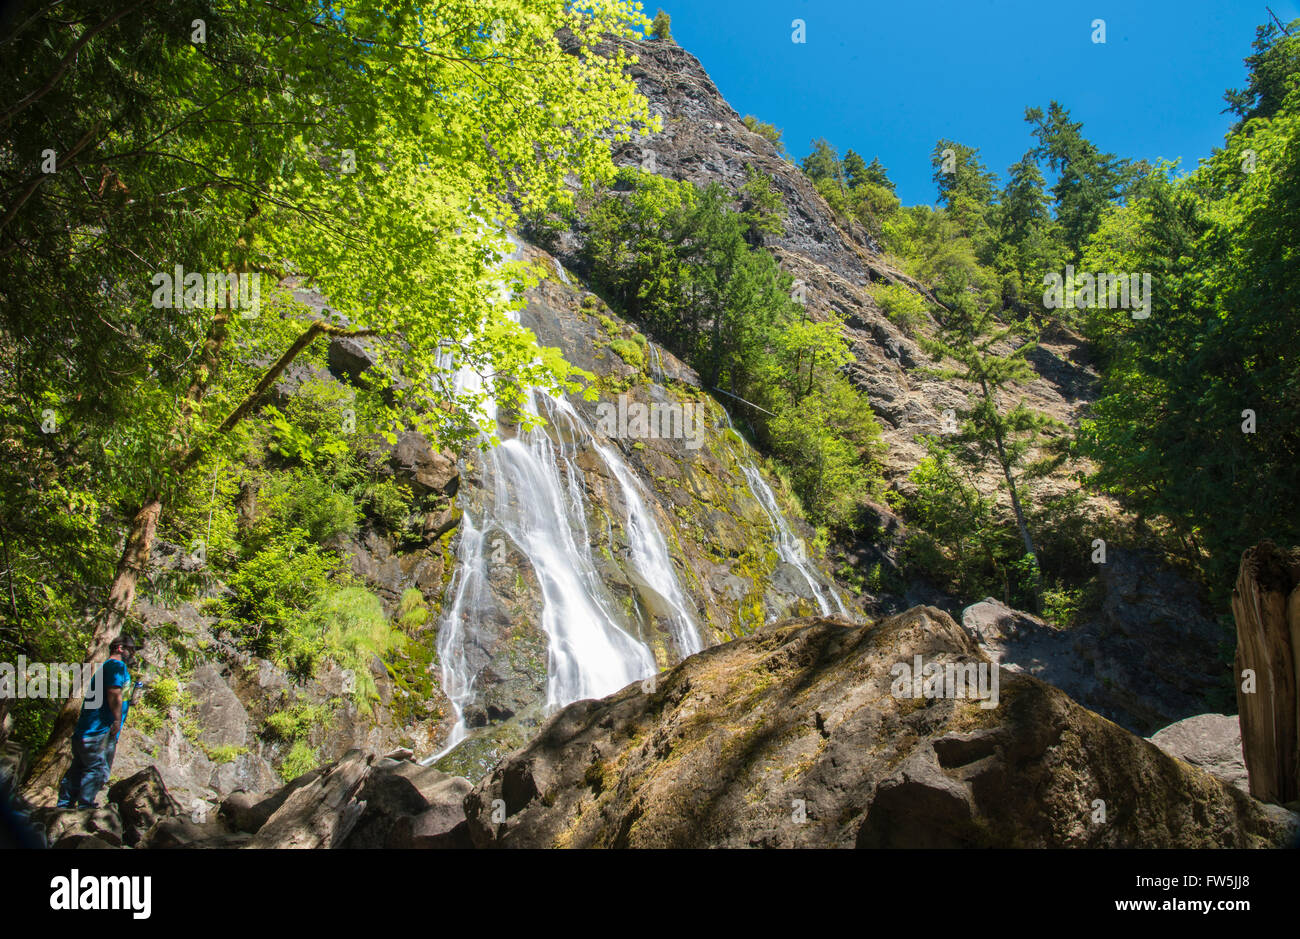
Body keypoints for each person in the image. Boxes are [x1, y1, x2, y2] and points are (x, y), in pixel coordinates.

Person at [56, 636, 138, 809]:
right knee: (96, 768)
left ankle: (64, 805)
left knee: (78, 767)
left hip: (86, 727)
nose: (133, 654)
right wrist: (116, 721)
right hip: (99, 728)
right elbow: (114, 693)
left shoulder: (105, 667)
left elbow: (118, 695)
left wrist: (129, 699)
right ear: (120, 648)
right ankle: (85, 806)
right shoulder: (116, 666)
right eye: (131, 650)